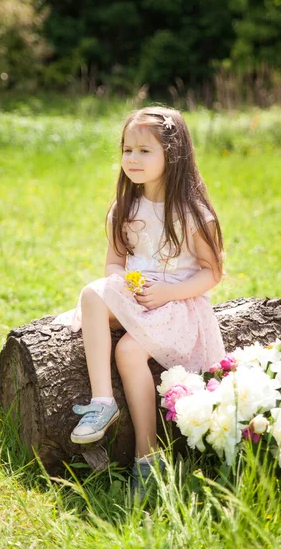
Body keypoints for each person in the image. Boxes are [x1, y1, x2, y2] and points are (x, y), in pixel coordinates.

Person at [53, 106, 225, 496]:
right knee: (94, 293)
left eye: (144, 151)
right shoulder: (125, 209)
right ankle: (103, 402)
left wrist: (166, 292)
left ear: (173, 155)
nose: (132, 158)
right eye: (127, 149)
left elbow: (211, 273)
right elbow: (114, 264)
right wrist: (125, 284)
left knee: (129, 352)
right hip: (140, 299)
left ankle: (146, 460)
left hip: (179, 305)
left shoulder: (191, 212)